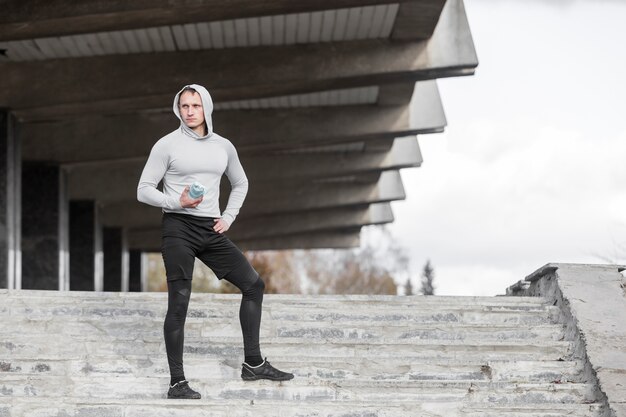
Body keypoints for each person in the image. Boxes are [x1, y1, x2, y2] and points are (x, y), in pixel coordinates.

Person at [137, 84, 294, 400]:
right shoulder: (166, 145)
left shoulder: (223, 146)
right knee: (179, 301)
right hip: (178, 228)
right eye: (184, 106)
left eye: (195, 105)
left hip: (210, 229)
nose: (190, 111)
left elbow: (240, 182)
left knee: (253, 285)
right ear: (178, 109)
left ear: (206, 107)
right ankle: (177, 383)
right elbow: (143, 189)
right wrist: (176, 200)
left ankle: (253, 364)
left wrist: (229, 217)